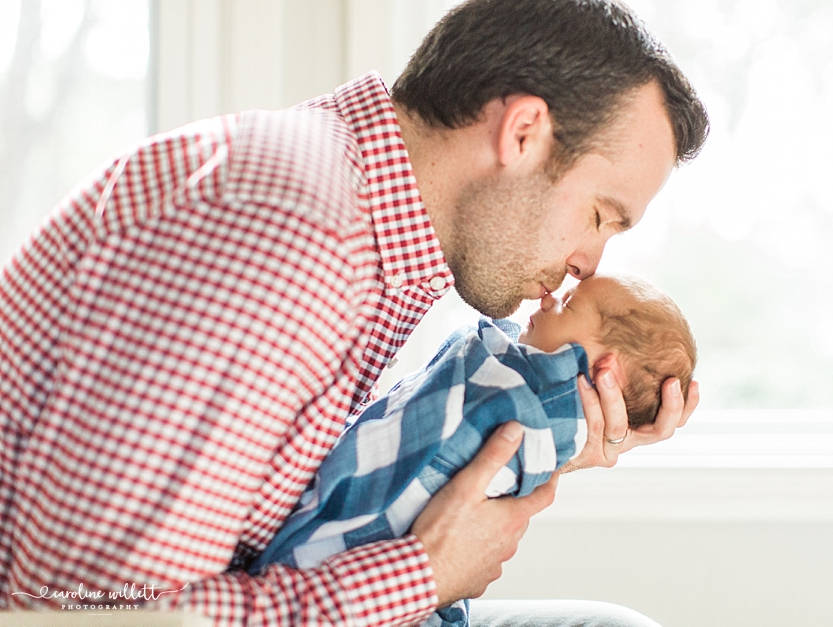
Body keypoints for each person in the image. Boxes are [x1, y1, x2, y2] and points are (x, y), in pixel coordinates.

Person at [0, 0, 708, 625]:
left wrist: (536, 434)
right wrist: (420, 574)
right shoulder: (293, 241)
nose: (590, 261)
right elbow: (84, 610)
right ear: (522, 133)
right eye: (599, 215)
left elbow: (276, 508)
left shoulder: (362, 214)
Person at [248, 274, 696, 627]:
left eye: (570, 304)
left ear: (605, 370)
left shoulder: (546, 406)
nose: (549, 299)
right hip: (344, 585)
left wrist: (581, 443)